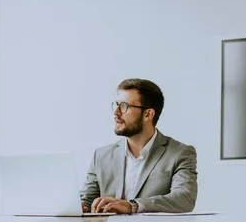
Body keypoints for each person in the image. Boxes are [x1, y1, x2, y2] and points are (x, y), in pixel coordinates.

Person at [80, 78, 198, 214]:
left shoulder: (180, 153)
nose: (116, 112)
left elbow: (184, 199)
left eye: (124, 106)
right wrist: (78, 206)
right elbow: (86, 200)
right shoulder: (101, 156)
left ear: (148, 114)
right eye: (116, 105)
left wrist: (133, 206)